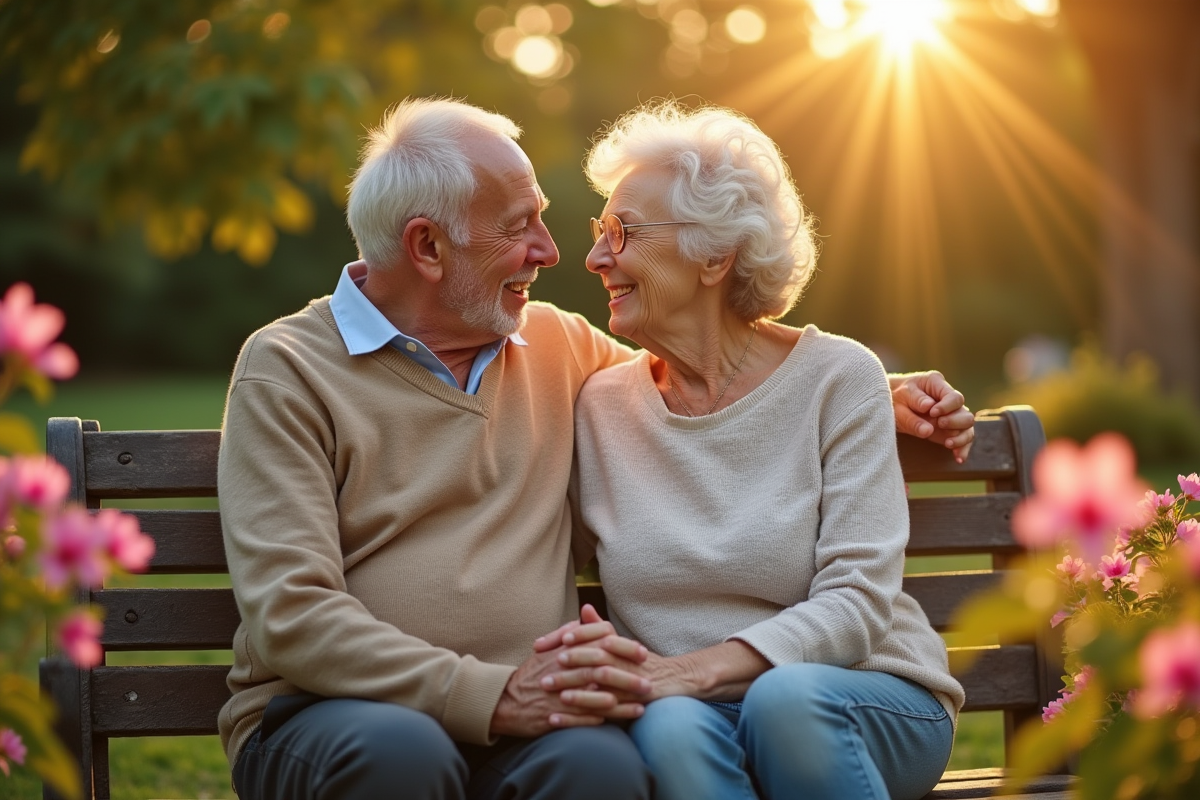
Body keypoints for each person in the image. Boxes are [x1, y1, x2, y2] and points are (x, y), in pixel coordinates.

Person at [216, 97, 973, 800]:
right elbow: (292, 613)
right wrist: (491, 695)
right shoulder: (288, 369)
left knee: (601, 768)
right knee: (403, 754)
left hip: (544, 708)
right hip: (336, 710)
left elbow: (720, 384)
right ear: (428, 246)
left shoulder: (554, 346)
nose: (555, 253)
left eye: (564, 225)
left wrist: (876, 393)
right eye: (520, 227)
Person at [544, 101, 966, 800]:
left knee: (783, 703)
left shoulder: (839, 379)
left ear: (715, 255)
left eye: (621, 232)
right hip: (690, 709)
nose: (594, 257)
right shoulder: (601, 406)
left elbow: (858, 606)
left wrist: (688, 670)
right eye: (599, 232)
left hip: (863, 694)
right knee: (670, 728)